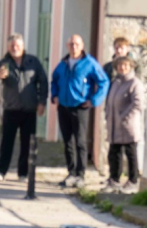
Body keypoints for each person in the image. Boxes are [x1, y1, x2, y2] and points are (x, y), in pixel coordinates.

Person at [50, 34, 109, 187]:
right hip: (63, 107)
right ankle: (71, 173)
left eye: (76, 44)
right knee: (68, 142)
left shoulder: (89, 63)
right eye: (71, 44)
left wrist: (94, 100)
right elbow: (54, 80)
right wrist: (54, 95)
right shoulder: (63, 63)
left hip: (80, 107)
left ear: (82, 46)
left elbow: (104, 82)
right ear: (67, 46)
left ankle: (81, 175)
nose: (74, 47)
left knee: (80, 141)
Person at [0, 33, 49, 181]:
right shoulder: (4, 63)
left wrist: (42, 102)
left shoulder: (33, 62)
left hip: (29, 109)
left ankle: (23, 173)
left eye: (17, 45)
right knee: (7, 143)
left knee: (27, 143)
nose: (15, 48)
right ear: (8, 47)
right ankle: (1, 171)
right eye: (12, 46)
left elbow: (43, 82)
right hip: (11, 109)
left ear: (23, 47)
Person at [103, 56, 144, 193]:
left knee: (130, 154)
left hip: (128, 126)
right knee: (114, 153)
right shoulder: (116, 82)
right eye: (120, 65)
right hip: (115, 125)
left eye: (125, 65)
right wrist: (108, 114)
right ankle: (114, 180)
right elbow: (110, 101)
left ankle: (133, 181)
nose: (122, 68)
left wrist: (124, 117)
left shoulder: (135, 83)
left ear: (131, 67)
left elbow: (138, 103)